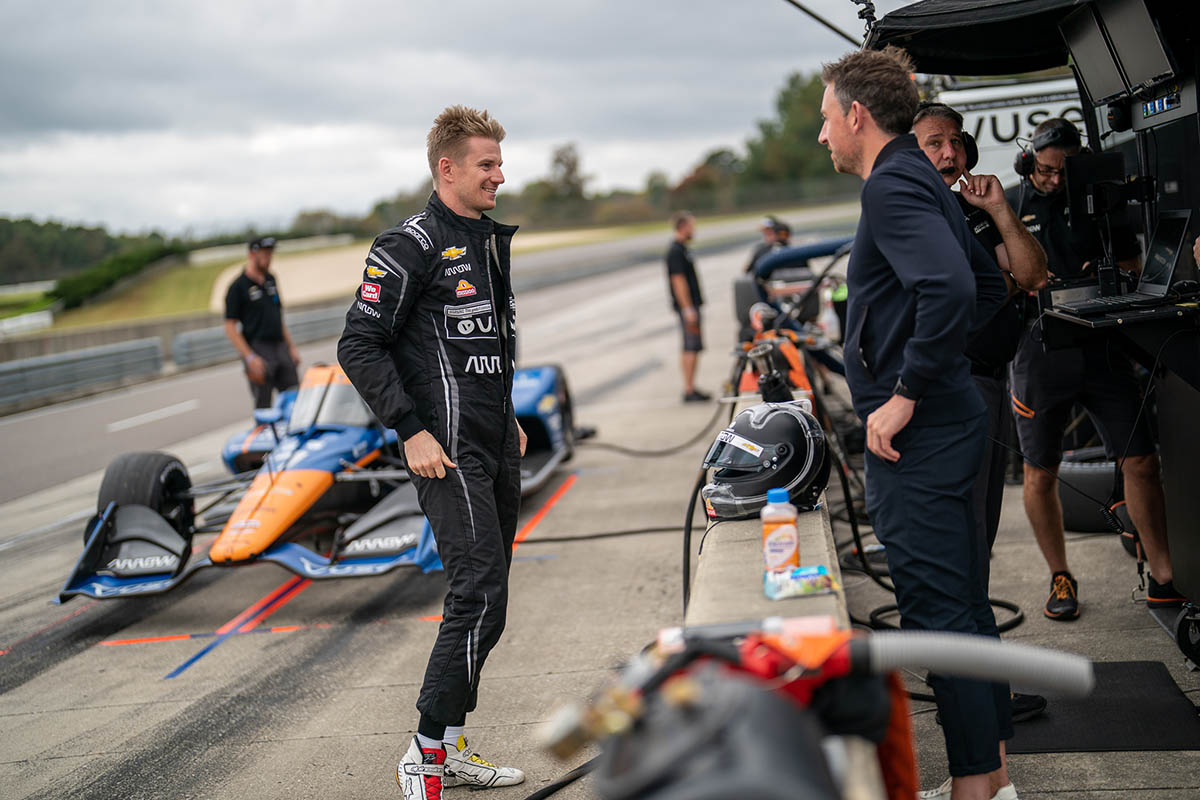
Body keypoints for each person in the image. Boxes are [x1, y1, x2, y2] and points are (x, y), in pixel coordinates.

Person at [818, 47, 1012, 800]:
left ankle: (972, 785)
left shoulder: (893, 185)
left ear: (856, 115)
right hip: (950, 418)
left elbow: (952, 285)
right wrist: (945, 377)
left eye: (828, 120)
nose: (825, 136)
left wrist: (906, 391)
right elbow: (989, 287)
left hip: (920, 434)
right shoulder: (914, 177)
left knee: (938, 612)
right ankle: (991, 771)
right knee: (963, 601)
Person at [337, 105, 527, 800]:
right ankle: (424, 754)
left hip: (494, 441)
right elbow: (357, 344)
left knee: (493, 600)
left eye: (499, 164)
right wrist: (410, 429)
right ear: (446, 168)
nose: (499, 176)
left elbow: (486, 342)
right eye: (486, 164)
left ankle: (447, 746)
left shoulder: (483, 240)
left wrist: (506, 414)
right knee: (476, 591)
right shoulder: (409, 242)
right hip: (444, 450)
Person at [1004, 118, 1183, 620]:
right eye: (1046, 171)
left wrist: (1109, 273)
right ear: (1029, 163)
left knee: (1142, 461)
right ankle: (1060, 575)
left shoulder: (1101, 202)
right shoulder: (1013, 205)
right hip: (1039, 356)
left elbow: (1134, 265)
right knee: (1040, 473)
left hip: (1102, 350)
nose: (1056, 181)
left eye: (1065, 171)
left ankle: (1163, 574)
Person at [914, 101, 1050, 725]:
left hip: (988, 385)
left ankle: (971, 688)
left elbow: (1032, 274)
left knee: (978, 541)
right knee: (959, 546)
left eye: (954, 143)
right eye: (932, 143)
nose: (947, 154)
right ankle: (973, 698)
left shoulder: (975, 212)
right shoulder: (910, 214)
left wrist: (998, 209)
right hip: (949, 393)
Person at [223, 236, 301, 409]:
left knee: (294, 398)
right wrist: (249, 357)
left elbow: (278, 316)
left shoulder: (271, 280)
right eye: (265, 255)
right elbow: (230, 327)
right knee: (264, 404)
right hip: (258, 348)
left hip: (279, 345)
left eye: (270, 254)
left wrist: (291, 347)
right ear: (252, 254)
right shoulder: (238, 287)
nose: (269, 259)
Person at [666, 211, 710, 402]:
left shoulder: (683, 249)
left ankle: (690, 387)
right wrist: (688, 308)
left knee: (693, 347)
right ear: (683, 227)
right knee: (690, 347)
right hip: (688, 308)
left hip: (691, 306)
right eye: (692, 226)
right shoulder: (675, 251)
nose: (694, 230)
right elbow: (678, 281)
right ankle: (689, 389)